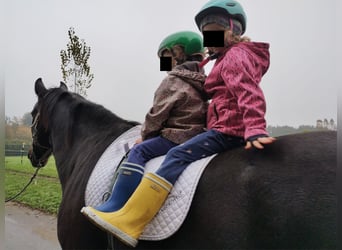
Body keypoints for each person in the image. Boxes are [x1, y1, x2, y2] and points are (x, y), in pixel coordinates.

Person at [81, 0, 276, 247]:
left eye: (215, 31)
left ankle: (131, 218)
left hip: (227, 131)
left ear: (234, 30)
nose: (209, 38)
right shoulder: (220, 61)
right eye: (206, 34)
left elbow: (248, 91)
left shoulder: (234, 57)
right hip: (220, 127)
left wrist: (255, 129)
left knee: (176, 155)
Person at [81, 31, 207, 214]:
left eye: (166, 57)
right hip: (197, 137)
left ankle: (116, 203)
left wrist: (145, 135)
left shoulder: (172, 80)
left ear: (179, 53)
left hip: (175, 137)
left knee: (139, 151)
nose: (164, 64)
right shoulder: (203, 82)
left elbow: (157, 115)